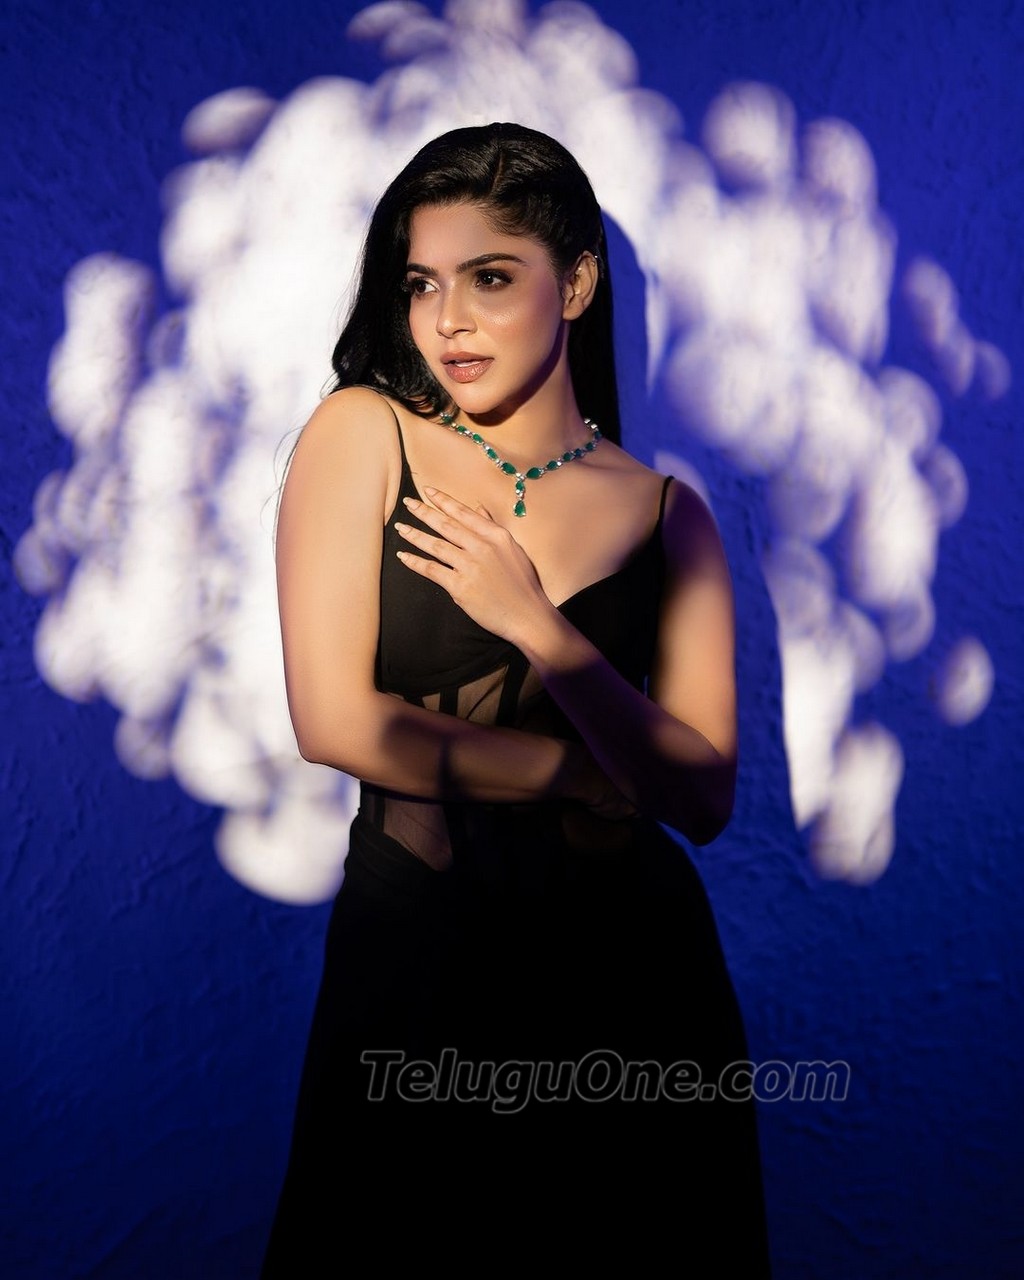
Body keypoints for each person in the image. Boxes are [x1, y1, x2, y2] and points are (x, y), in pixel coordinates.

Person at [263, 122, 771, 1272]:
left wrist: (534, 621)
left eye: (489, 277)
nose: (446, 320)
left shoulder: (667, 512)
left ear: (575, 284)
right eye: (421, 283)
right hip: (418, 960)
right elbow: (333, 720)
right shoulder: (364, 431)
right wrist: (576, 771)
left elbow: (700, 795)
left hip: (633, 986)